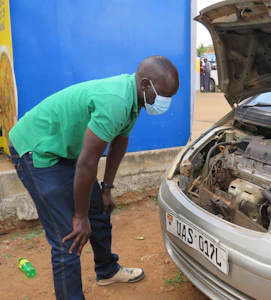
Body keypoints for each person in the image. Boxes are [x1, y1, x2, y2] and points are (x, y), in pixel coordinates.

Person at [8, 55, 179, 300]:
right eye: (164, 95)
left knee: (98, 209)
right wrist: (79, 216)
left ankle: (107, 270)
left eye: (170, 96)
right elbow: (87, 164)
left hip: (64, 150)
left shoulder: (134, 99)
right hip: (36, 150)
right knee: (68, 236)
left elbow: (120, 139)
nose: (166, 101)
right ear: (145, 84)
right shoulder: (116, 102)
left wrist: (106, 188)